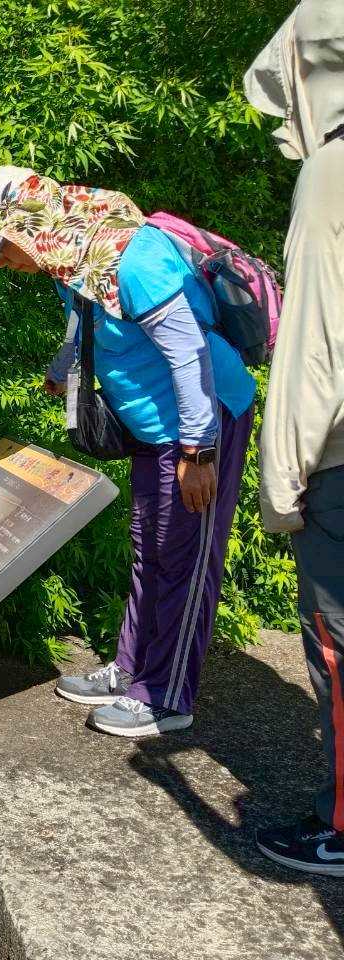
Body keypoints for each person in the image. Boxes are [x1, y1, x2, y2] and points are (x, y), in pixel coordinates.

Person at [0, 166, 257, 738]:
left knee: (186, 557)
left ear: (27, 224)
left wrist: (199, 453)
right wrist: (60, 369)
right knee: (150, 550)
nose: (1, 262)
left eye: (1, 248)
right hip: (150, 427)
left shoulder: (131, 256)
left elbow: (188, 355)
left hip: (199, 423)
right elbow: (87, 321)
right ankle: (130, 670)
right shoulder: (71, 257)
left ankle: (167, 696)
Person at [243, 3, 344, 875]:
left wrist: (283, 483)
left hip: (342, 465)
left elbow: (314, 347)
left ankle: (342, 827)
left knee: (338, 647)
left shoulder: (332, 174)